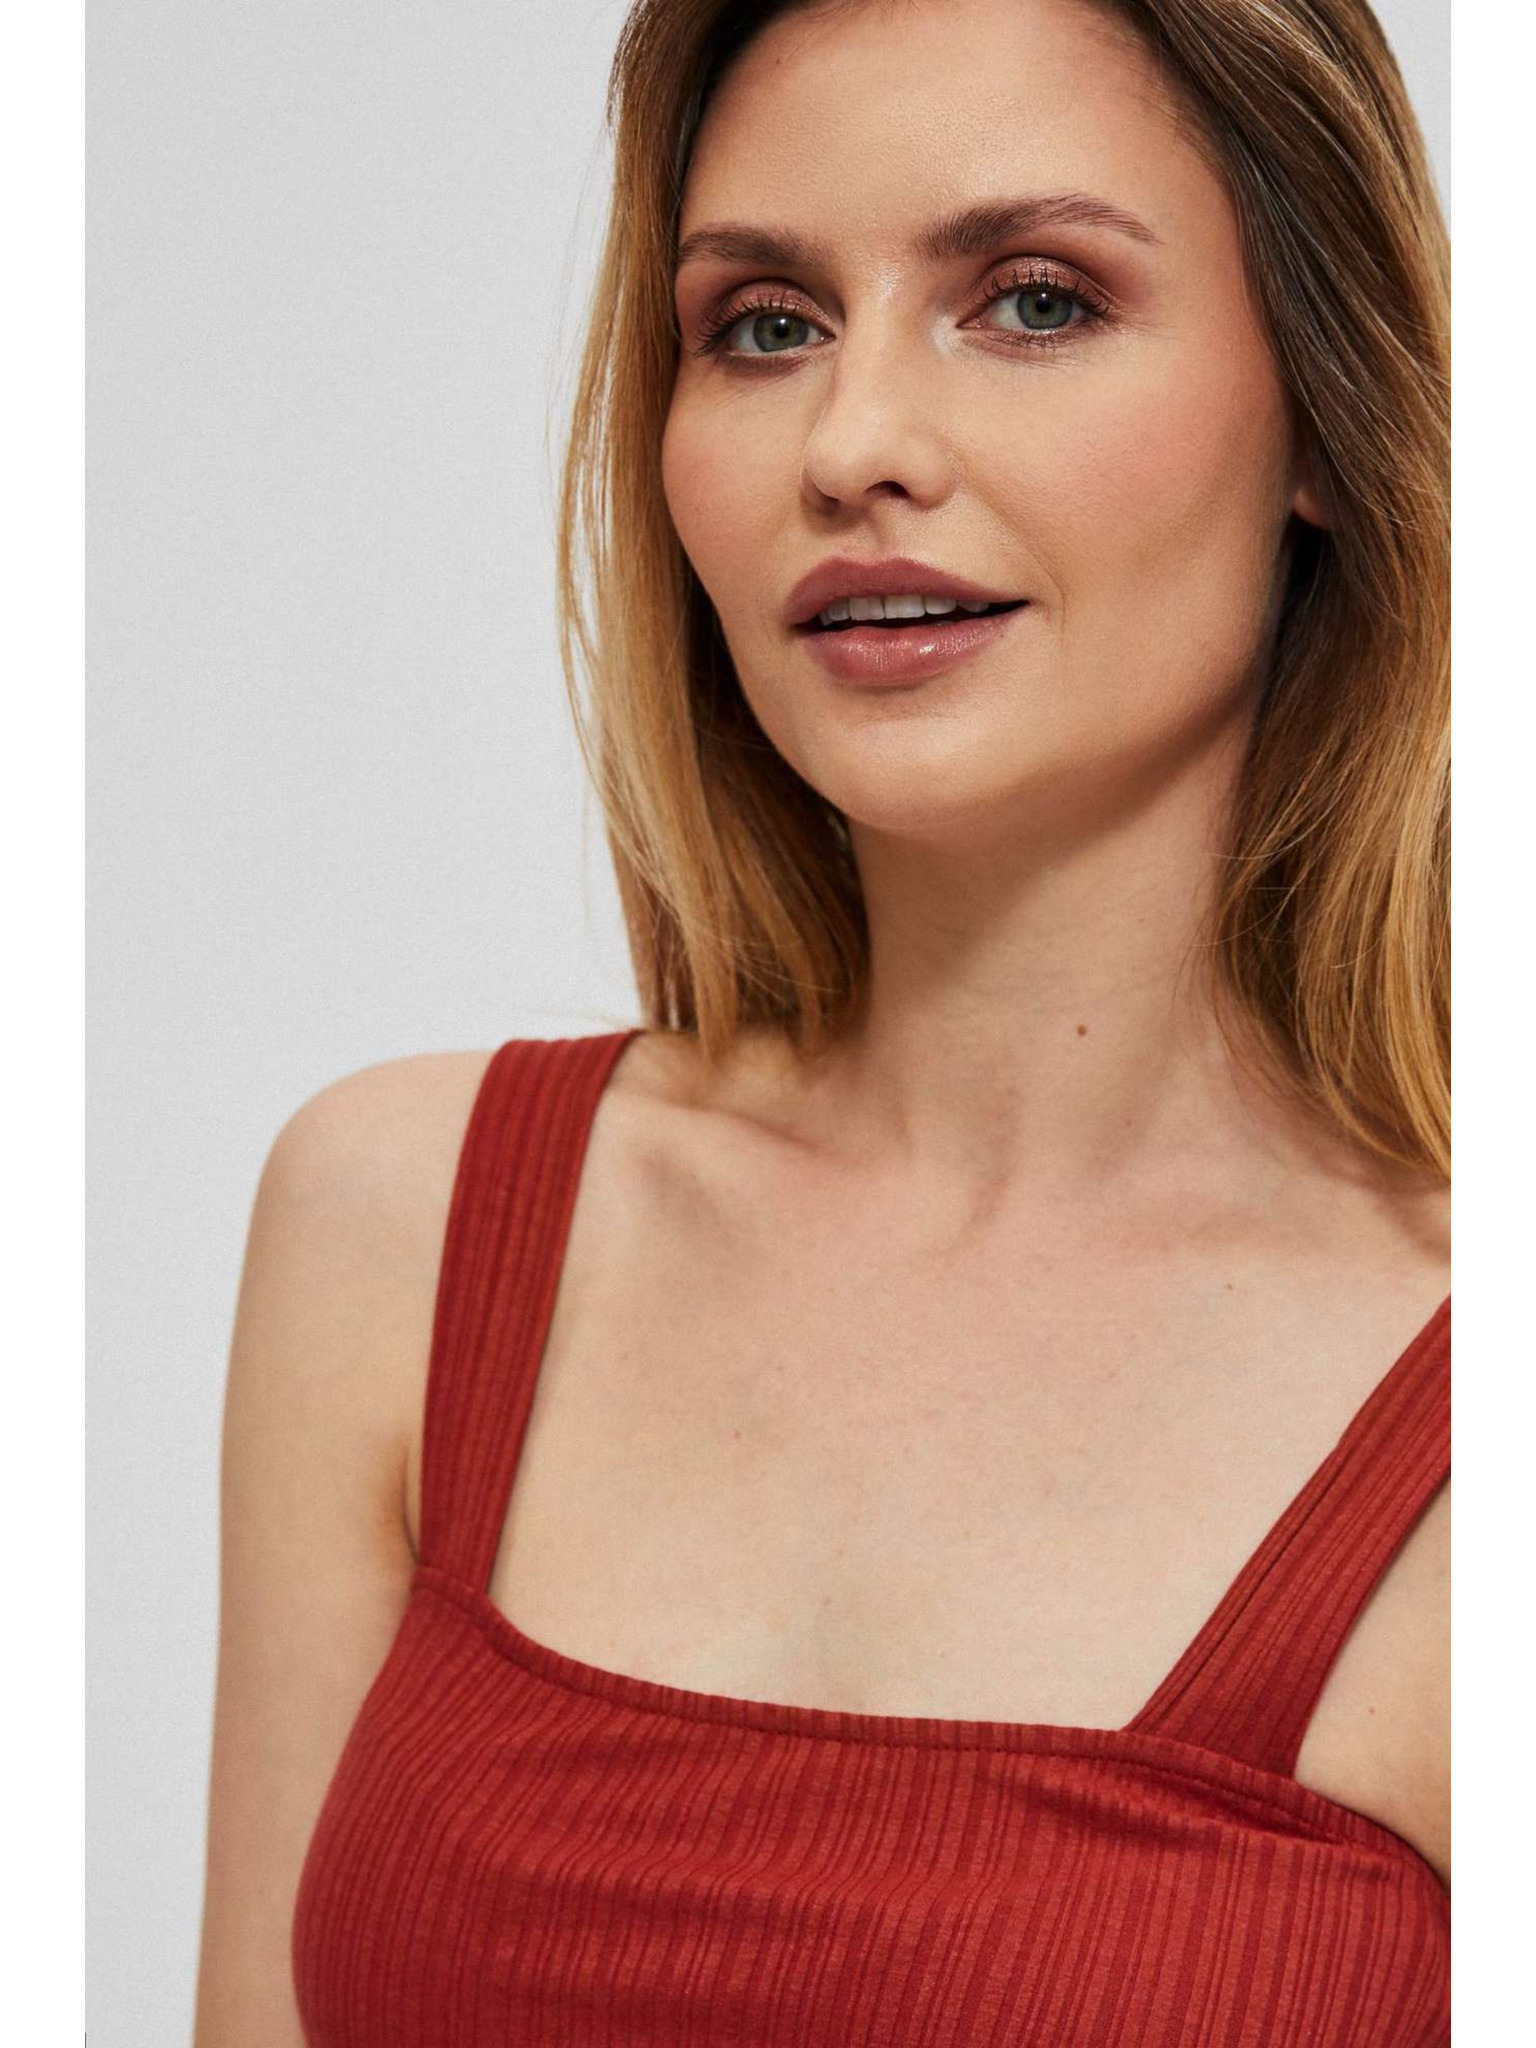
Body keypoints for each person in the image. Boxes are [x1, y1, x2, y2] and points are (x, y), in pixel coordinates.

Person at [194, 1, 1451, 2041]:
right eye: (765, 325)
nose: (854, 439)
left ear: (1322, 411)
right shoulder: (400, 1230)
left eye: (1035, 301)